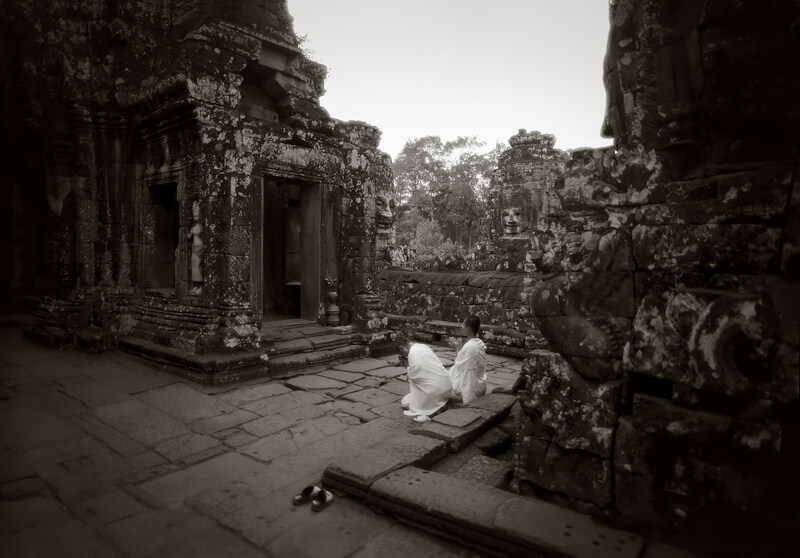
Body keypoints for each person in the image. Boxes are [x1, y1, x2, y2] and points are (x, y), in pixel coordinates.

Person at [396, 336, 452, 422]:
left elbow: (416, 378)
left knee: (404, 403)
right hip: (447, 386)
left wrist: (406, 365)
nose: (404, 356)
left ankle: (430, 412)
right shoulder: (422, 346)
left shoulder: (412, 354)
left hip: (435, 392)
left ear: (401, 348)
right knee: (406, 400)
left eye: (401, 353)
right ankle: (442, 403)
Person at [447, 315, 487, 404]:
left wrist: (457, 347)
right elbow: (465, 361)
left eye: (463, 325)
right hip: (480, 387)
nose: (462, 327)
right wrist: (460, 348)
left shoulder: (469, 346)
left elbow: (459, 364)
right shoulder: (479, 344)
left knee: (443, 386)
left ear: (468, 328)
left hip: (471, 390)